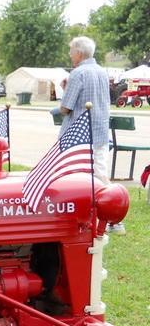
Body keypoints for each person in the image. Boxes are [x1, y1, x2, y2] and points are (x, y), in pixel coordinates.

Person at [59, 36, 123, 234]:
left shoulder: (78, 73)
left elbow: (66, 108)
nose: (70, 56)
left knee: (75, 175)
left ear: (79, 53)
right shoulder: (101, 72)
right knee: (100, 173)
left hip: (79, 136)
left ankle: (79, 215)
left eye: (71, 52)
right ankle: (114, 218)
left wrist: (65, 92)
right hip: (100, 131)